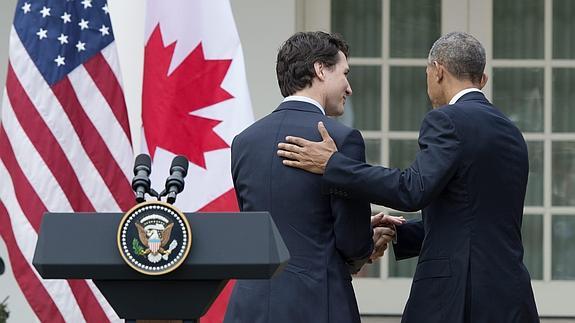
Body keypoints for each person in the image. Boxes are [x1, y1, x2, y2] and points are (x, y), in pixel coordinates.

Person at [277, 32, 539, 322]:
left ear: (438, 71)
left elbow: (412, 190)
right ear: (483, 79)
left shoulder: (447, 120)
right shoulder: (511, 133)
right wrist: (399, 233)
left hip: (457, 298)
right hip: (510, 296)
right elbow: (475, 219)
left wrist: (333, 164)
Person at [224, 31, 399, 323]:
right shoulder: (343, 139)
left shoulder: (244, 142)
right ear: (320, 69)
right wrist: (367, 242)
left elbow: (278, 221)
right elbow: (352, 243)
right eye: (344, 73)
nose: (349, 87)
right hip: (317, 304)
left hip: (250, 306)